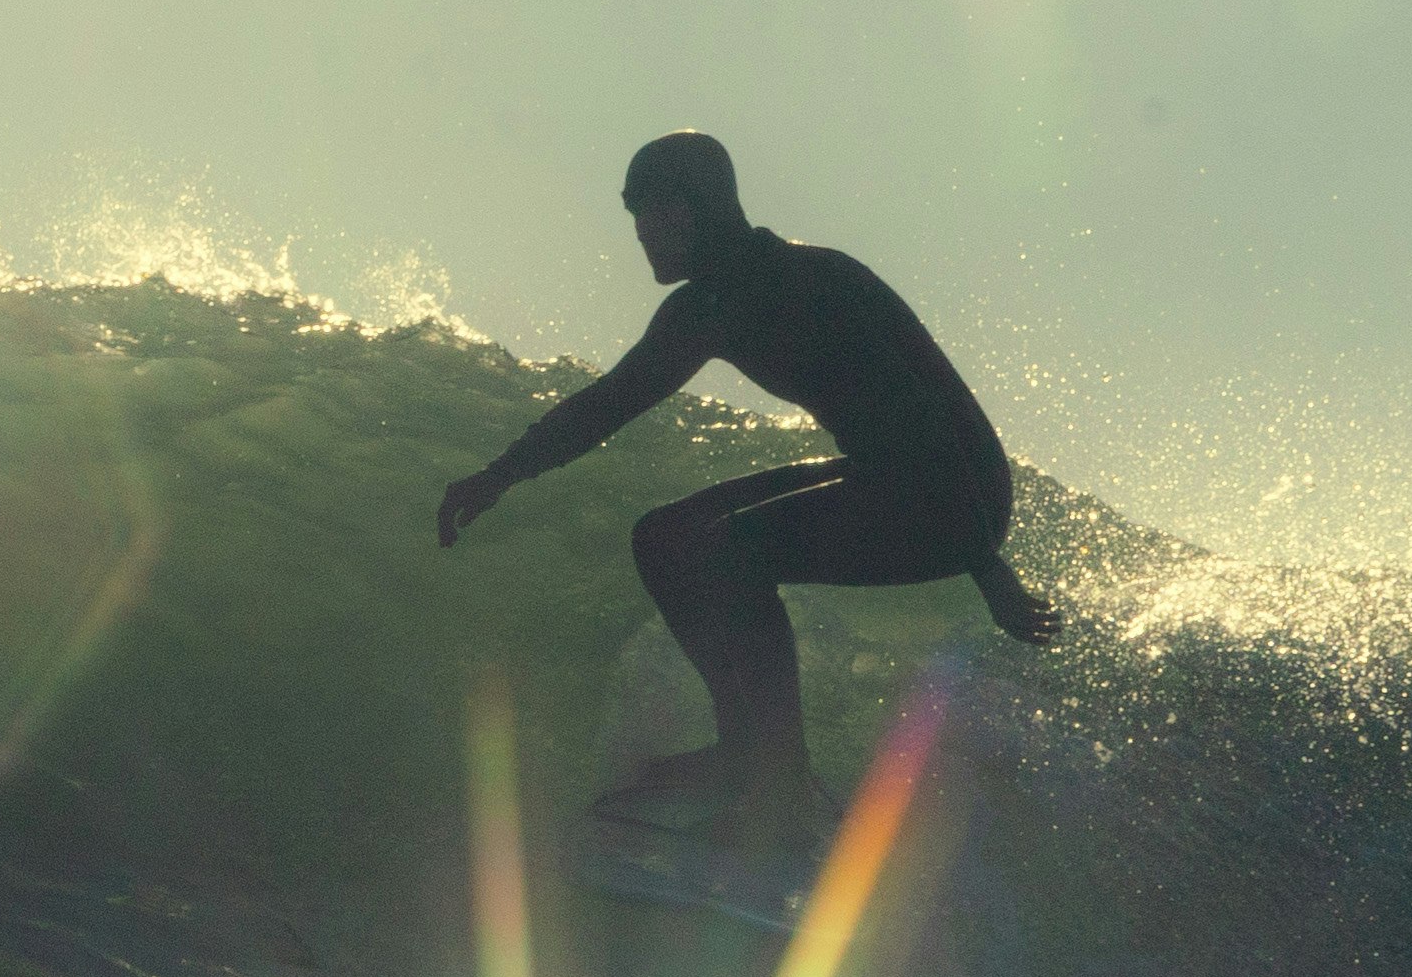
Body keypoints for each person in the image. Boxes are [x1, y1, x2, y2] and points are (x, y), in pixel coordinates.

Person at [433, 133, 1057, 858]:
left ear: (700, 207)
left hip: (956, 491)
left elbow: (929, 419)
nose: (642, 234)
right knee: (663, 537)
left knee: (735, 551)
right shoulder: (706, 310)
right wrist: (498, 477)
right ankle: (744, 751)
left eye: (654, 212)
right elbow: (608, 405)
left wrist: (987, 566)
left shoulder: (816, 282)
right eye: (635, 216)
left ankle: (781, 792)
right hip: (885, 476)